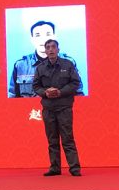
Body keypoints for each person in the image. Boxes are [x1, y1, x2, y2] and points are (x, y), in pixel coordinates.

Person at [33, 39, 82, 177]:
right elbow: (36, 86)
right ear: (45, 51)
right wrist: (45, 92)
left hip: (64, 107)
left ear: (58, 49)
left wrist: (60, 92)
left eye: (53, 47)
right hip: (48, 108)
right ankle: (55, 168)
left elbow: (75, 83)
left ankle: (75, 168)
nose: (51, 49)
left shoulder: (68, 64)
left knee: (67, 138)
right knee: (52, 140)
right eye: (48, 47)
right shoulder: (40, 68)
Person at [9, 20, 83, 98]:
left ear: (54, 37)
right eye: (38, 35)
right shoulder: (21, 65)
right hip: (31, 106)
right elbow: (12, 96)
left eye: (48, 34)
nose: (43, 39)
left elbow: (79, 94)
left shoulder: (69, 63)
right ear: (32, 39)